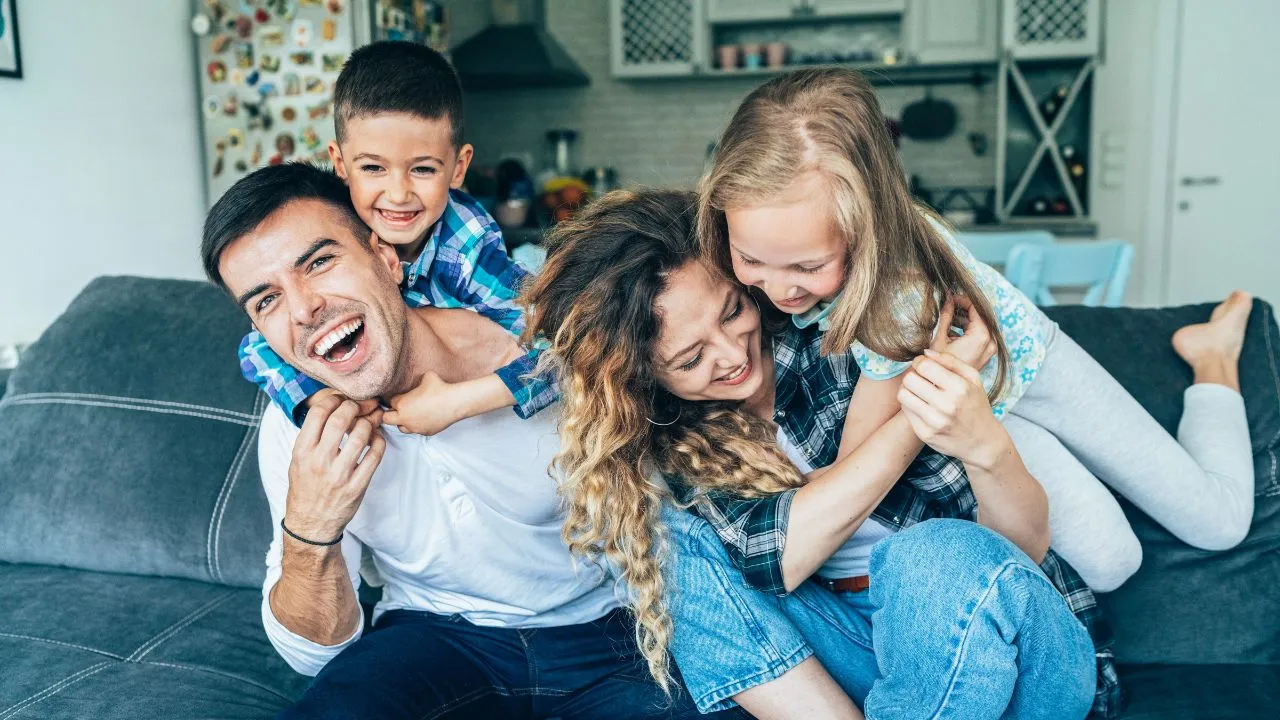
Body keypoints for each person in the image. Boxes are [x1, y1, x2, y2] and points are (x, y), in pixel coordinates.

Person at [522, 188, 1109, 719]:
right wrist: (914, 412)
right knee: (664, 544)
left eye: (732, 311)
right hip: (863, 657)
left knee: (926, 556)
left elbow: (1015, 553)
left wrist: (922, 389)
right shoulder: (678, 441)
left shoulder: (844, 337)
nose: (731, 356)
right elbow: (780, 558)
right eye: (689, 359)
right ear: (644, 378)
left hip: (1016, 646)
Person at [200, 164, 759, 719]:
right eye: (266, 301)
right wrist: (311, 528)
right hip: (435, 640)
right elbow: (313, 651)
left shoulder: (537, 353)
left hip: (612, 635)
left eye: (319, 263)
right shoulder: (299, 424)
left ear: (386, 258)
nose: (303, 308)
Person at [697, 67, 1255, 591]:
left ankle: (1212, 359)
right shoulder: (763, 243)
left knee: (1219, 522)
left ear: (868, 228)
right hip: (984, 408)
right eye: (751, 260)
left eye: (808, 267)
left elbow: (853, 473)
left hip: (1032, 369)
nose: (777, 291)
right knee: (1112, 563)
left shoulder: (897, 299)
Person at [238, 41, 554, 437]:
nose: (399, 194)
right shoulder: (334, 231)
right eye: (373, 168)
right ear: (340, 165)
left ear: (458, 169)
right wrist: (317, 399)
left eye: (422, 169)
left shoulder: (465, 246)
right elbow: (257, 348)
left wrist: (456, 402)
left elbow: (564, 355)